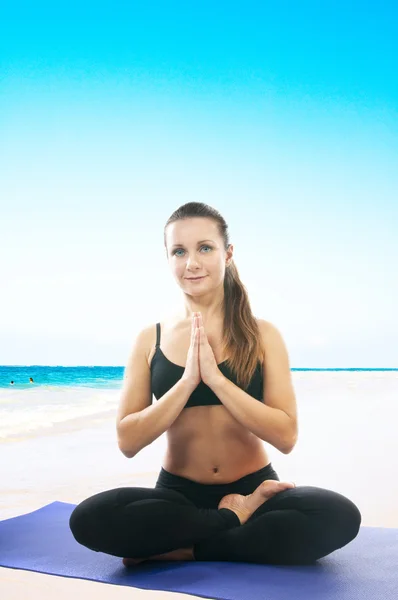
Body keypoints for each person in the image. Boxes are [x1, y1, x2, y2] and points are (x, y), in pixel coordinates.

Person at [69, 202, 361, 566]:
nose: (192, 262)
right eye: (179, 251)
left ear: (228, 253)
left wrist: (218, 380)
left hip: (255, 488)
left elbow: (286, 436)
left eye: (204, 248)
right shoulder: (150, 339)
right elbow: (128, 441)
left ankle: (192, 547)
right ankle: (231, 522)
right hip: (179, 497)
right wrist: (187, 381)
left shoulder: (262, 335)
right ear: (169, 259)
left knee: (339, 514)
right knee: (88, 518)